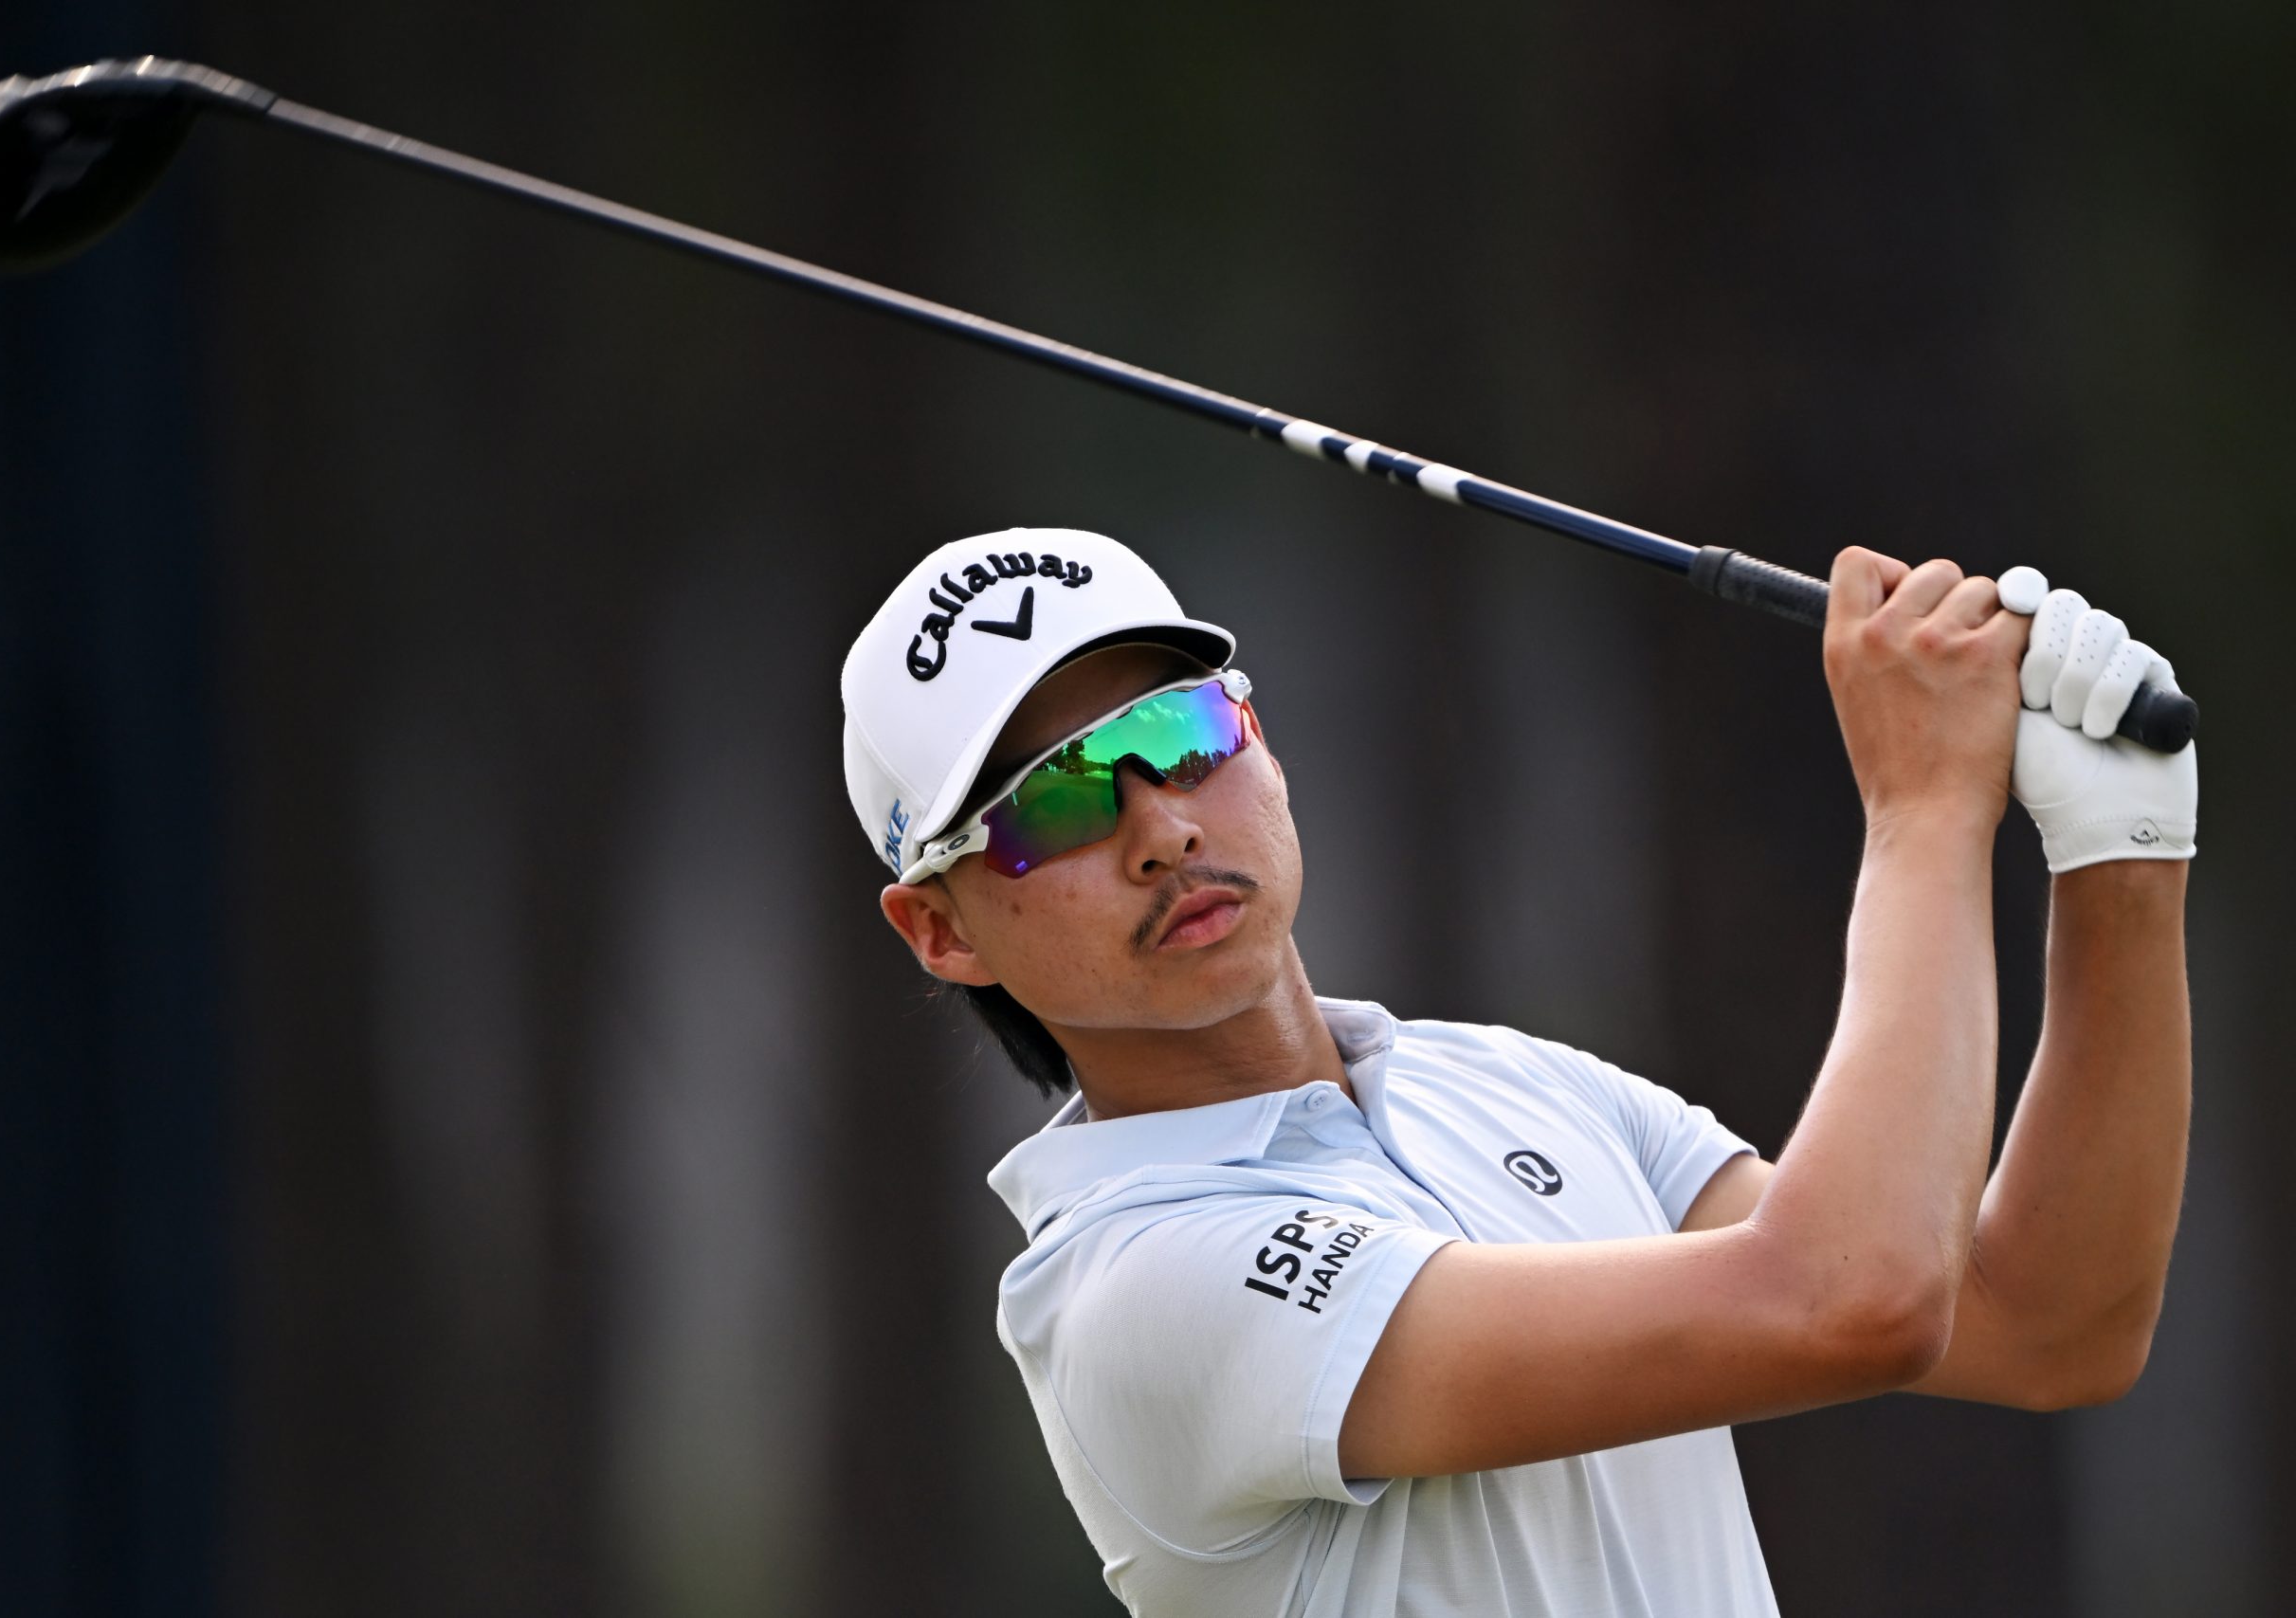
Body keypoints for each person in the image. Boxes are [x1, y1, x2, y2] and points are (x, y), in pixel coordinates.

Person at [838, 527, 2196, 1616]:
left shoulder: (1505, 1078)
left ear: (1259, 737)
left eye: (1179, 733)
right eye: (1055, 805)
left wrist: (2120, 857)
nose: (1163, 828)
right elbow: (1848, 1299)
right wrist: (1922, 810)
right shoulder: (1135, 1288)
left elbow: (2042, 1323)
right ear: (943, 928)